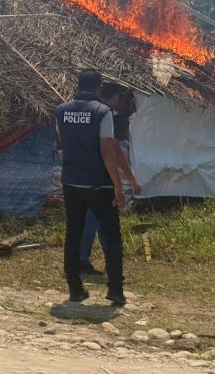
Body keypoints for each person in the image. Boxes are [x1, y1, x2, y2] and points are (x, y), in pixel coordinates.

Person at [55, 69, 139, 305]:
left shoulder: (61, 111)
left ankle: (75, 289)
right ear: (99, 88)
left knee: (73, 234)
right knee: (112, 236)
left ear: (77, 85)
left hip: (71, 181)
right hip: (99, 184)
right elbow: (107, 150)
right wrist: (118, 187)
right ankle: (115, 290)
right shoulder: (103, 112)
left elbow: (66, 142)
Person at [78, 83, 141, 275]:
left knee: (98, 219)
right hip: (99, 176)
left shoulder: (83, 113)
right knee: (95, 219)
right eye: (118, 99)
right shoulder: (105, 115)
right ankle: (82, 260)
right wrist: (128, 179)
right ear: (113, 98)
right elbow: (113, 150)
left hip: (81, 173)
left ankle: (107, 260)